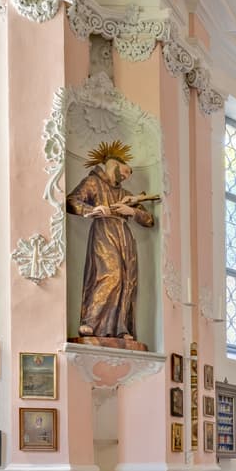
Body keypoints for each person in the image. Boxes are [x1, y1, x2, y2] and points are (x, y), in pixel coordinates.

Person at [66, 142, 158, 347]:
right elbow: (71, 201)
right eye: (125, 172)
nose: (126, 177)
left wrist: (131, 211)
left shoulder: (125, 193)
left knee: (126, 281)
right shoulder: (92, 182)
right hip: (103, 232)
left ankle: (120, 327)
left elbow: (149, 219)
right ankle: (91, 321)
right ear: (114, 163)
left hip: (124, 237)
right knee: (110, 274)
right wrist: (94, 209)